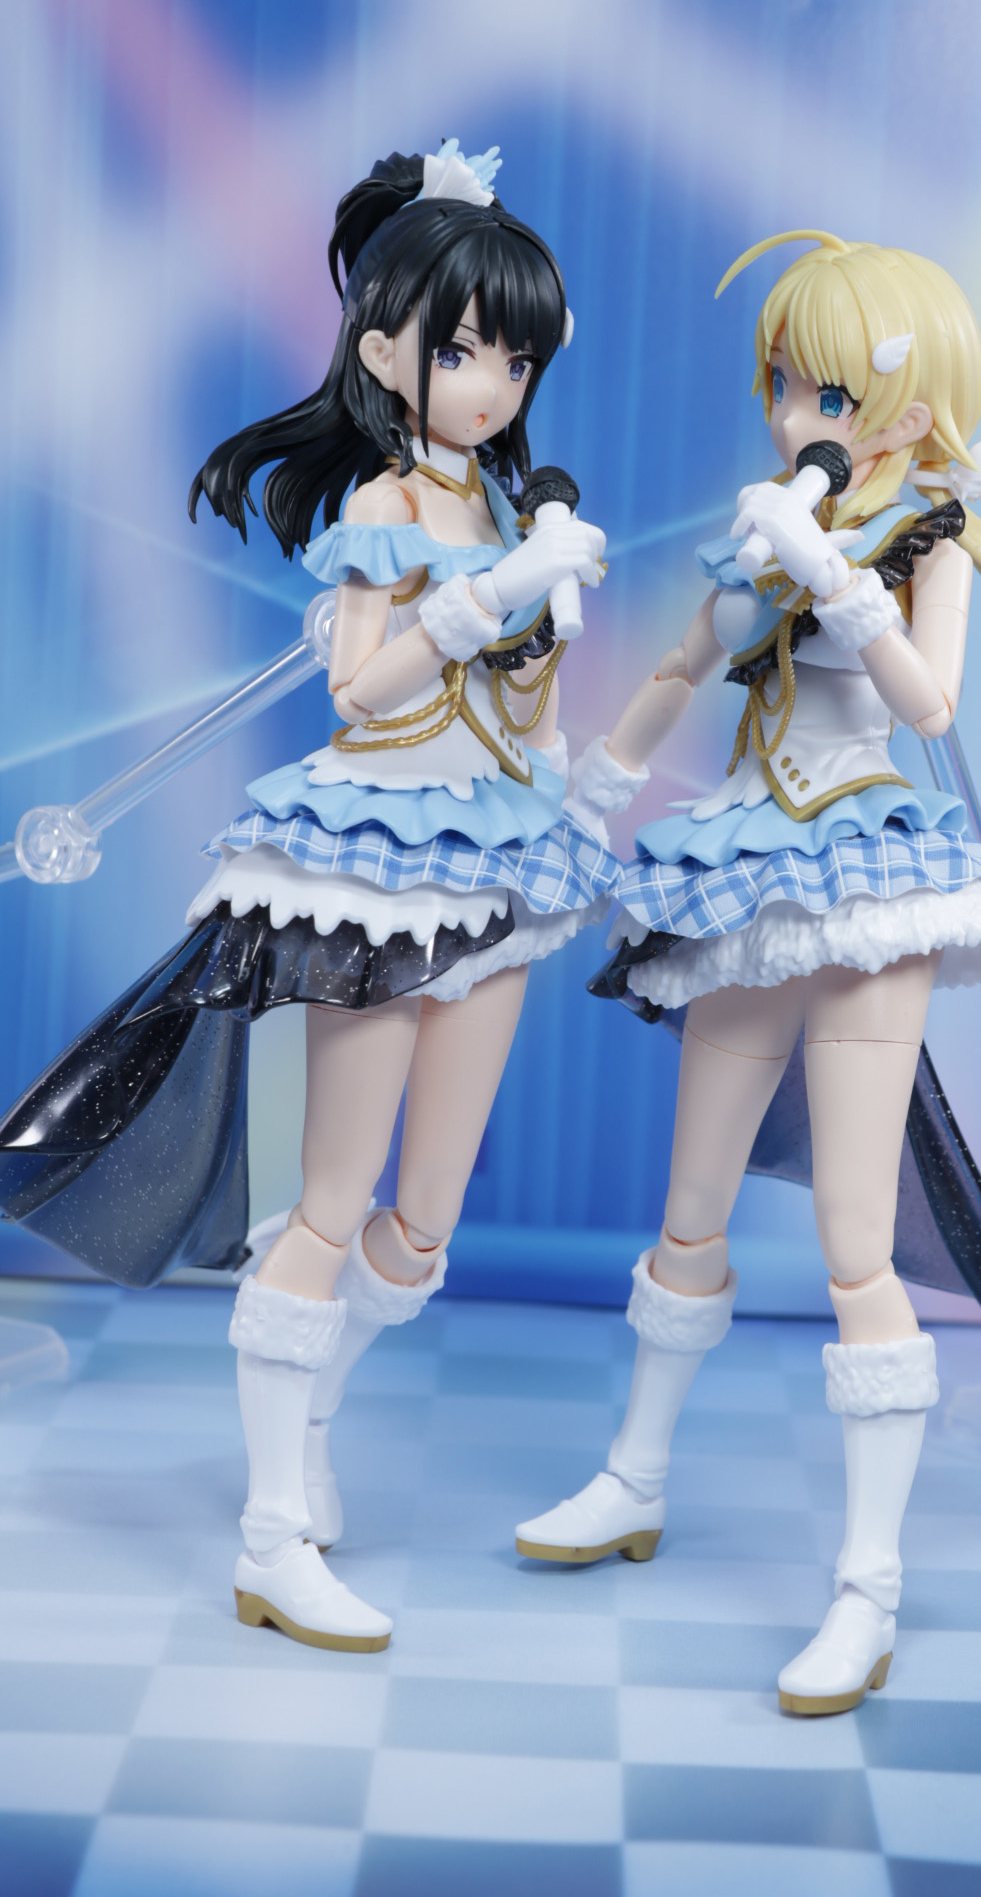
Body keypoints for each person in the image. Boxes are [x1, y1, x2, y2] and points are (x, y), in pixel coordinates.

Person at [0, 142, 611, 1654]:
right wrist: (482, 603)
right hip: (379, 868)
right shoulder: (390, 501)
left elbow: (518, 720)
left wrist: (545, 633)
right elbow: (358, 686)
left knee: (424, 1226)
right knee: (333, 1204)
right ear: (387, 351)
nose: (493, 385)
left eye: (516, 358)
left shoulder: (508, 507)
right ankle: (273, 1532)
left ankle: (308, 1417)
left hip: (498, 863)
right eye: (464, 352)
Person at [515, 230, 981, 1713]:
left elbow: (930, 707)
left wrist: (843, 582)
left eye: (827, 390)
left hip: (867, 872)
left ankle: (868, 1587)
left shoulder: (930, 540)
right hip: (746, 862)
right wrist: (592, 793)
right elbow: (681, 667)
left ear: (911, 408)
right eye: (784, 386)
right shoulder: (762, 527)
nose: (796, 414)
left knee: (855, 1245)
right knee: (689, 1209)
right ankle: (635, 1477)